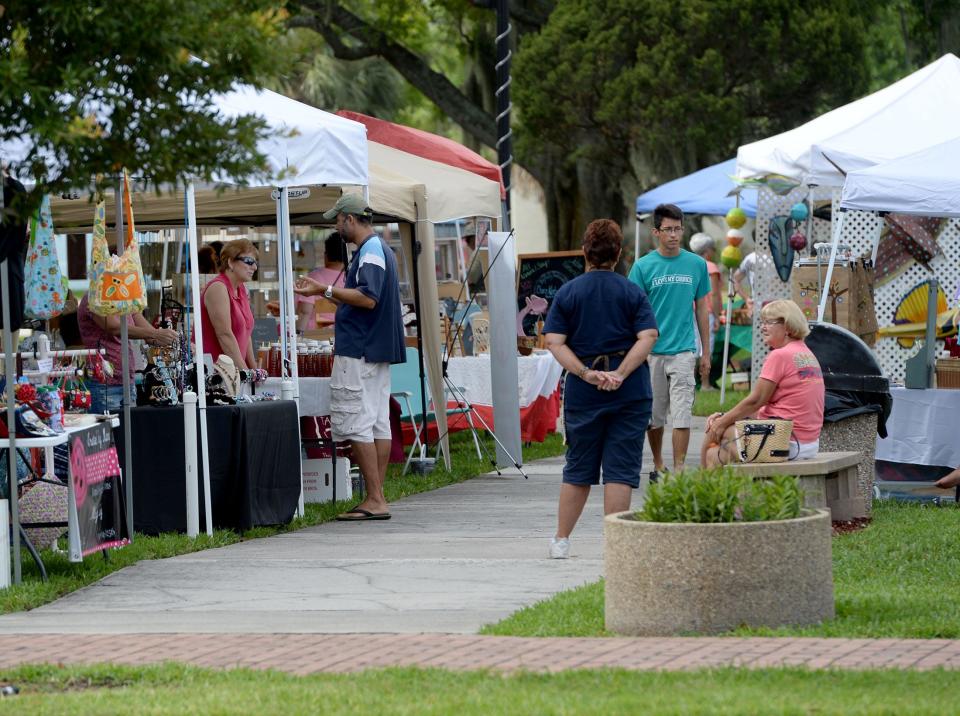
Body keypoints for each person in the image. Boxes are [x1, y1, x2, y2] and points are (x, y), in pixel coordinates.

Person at [543, 219, 659, 559]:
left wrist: (585, 373)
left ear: (585, 252)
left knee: (578, 468)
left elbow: (554, 341)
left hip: (584, 392)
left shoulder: (568, 292)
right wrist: (621, 373)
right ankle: (617, 547)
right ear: (619, 253)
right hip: (630, 391)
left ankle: (562, 540)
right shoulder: (632, 291)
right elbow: (648, 336)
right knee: (620, 470)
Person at [294, 194, 405, 521]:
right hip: (375, 349)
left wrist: (322, 291)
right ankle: (377, 496)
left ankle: (374, 498)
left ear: (350, 219)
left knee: (356, 421)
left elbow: (367, 298)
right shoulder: (380, 249)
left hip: (359, 349)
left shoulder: (369, 251)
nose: (336, 226)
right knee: (376, 422)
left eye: (337, 220)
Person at [627, 204, 711, 479]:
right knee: (655, 415)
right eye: (668, 230)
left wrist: (706, 353)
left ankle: (679, 468)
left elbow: (701, 309)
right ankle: (658, 463)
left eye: (678, 229)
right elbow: (632, 312)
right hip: (651, 352)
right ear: (656, 232)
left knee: (683, 412)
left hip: (684, 350)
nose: (674, 235)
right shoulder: (643, 267)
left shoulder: (696, 265)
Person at [702, 299, 825, 467]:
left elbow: (756, 400)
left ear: (787, 326)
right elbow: (765, 405)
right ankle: (719, 489)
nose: (762, 327)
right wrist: (725, 416)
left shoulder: (780, 355)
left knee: (713, 430)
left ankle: (695, 490)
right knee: (714, 455)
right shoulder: (805, 353)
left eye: (769, 322)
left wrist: (721, 422)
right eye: (762, 322)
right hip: (806, 443)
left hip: (785, 442)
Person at [76, 294, 179, 414]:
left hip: (127, 382)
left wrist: (177, 340)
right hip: (103, 384)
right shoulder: (94, 296)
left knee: (127, 428)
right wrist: (156, 334)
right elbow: (114, 328)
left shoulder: (124, 298)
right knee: (111, 431)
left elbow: (151, 336)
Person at [200, 239, 257, 369]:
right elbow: (224, 335)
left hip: (233, 372)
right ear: (231, 262)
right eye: (249, 262)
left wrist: (253, 369)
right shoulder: (218, 288)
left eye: (255, 263)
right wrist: (245, 373)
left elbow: (246, 333)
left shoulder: (241, 288)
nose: (254, 267)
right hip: (215, 375)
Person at [291, 233, 346, 330]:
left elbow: (304, 311)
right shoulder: (351, 278)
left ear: (326, 254)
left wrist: (298, 333)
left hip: (315, 338)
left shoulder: (313, 278)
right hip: (344, 333)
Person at [689, 232, 722, 387]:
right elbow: (714, 294)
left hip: (689, 311)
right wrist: (717, 316)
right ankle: (705, 383)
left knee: (693, 346)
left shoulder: (689, 265)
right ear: (707, 250)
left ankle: (689, 382)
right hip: (705, 311)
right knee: (705, 347)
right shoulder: (711, 267)